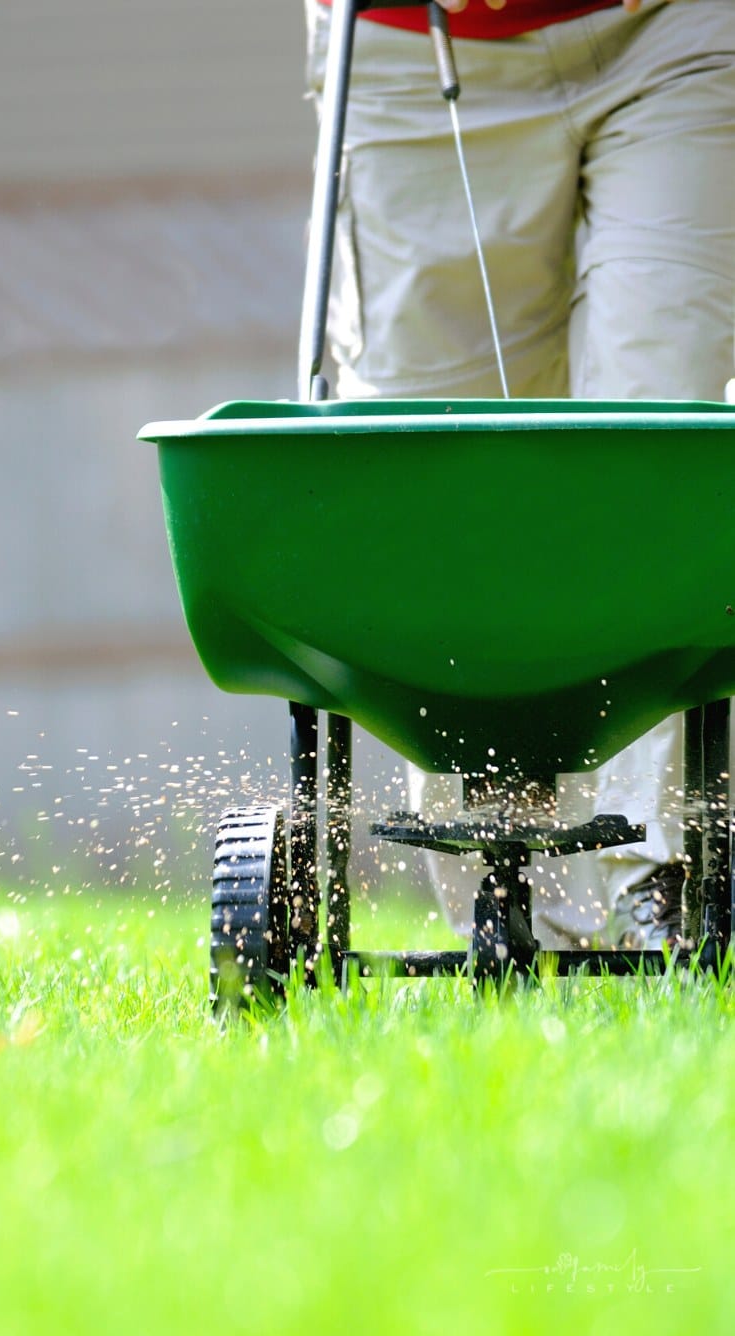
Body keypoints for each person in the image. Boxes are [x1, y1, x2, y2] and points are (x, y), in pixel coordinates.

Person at [304, 0, 735, 948]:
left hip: (666, 35)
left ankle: (658, 881)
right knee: (448, 484)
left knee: (655, 428)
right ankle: (521, 915)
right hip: (414, 51)